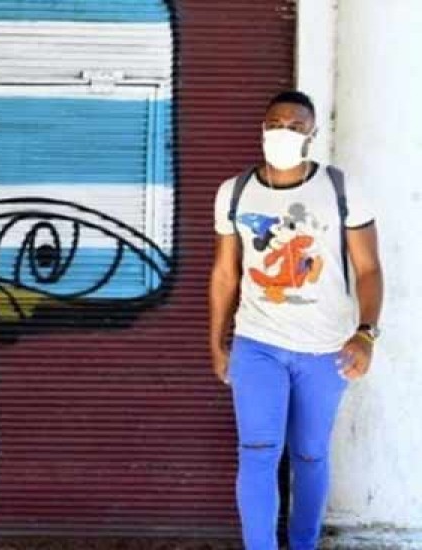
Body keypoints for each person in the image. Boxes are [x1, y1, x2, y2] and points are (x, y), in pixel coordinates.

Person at [208, 90, 384, 550]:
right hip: (257, 343)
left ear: (312, 134)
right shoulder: (234, 192)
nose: (283, 132)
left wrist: (366, 334)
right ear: (262, 129)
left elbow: (368, 269)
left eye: (295, 126)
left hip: (326, 349)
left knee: (309, 455)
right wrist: (217, 342)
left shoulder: (341, 189)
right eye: (275, 124)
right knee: (258, 452)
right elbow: (225, 273)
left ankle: (304, 543)